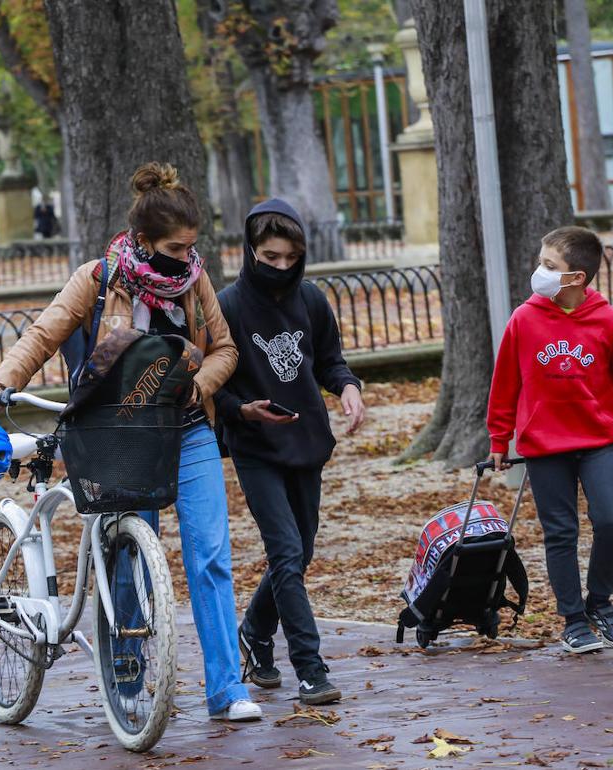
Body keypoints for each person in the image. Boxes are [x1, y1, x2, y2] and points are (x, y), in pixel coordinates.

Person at [0, 162, 262, 723]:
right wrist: (1, 382)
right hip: (120, 437)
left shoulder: (195, 280)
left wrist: (196, 385)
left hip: (189, 431)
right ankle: (128, 675)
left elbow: (225, 348)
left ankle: (227, 689)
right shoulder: (99, 278)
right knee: (129, 559)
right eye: (177, 249)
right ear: (144, 242)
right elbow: (42, 334)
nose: (187, 259)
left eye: (192, 247)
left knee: (211, 558)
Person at [214, 199, 365, 706]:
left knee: (300, 553)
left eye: (289, 257)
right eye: (270, 256)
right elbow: (213, 386)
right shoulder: (227, 306)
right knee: (285, 552)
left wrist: (347, 387)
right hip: (255, 447)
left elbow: (328, 359)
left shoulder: (312, 299)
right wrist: (245, 411)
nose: (280, 266)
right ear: (251, 251)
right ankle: (310, 667)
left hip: (306, 442)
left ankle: (255, 632)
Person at [487, 226, 613, 654]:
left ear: (577, 277)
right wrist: (500, 438)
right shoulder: (524, 319)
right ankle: (573, 619)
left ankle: (600, 601)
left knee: (612, 521)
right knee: (561, 533)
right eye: (541, 262)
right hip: (545, 447)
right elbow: (505, 382)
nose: (539, 272)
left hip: (598, 441)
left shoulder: (609, 321)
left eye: (550, 266)